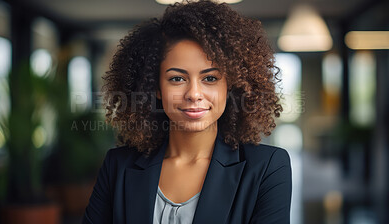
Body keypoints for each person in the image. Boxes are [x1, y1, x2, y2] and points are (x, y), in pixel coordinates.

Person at [83, 0, 292, 223]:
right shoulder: (118, 166)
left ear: (230, 85)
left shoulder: (267, 168)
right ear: (155, 88)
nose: (194, 93)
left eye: (210, 78)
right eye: (177, 78)